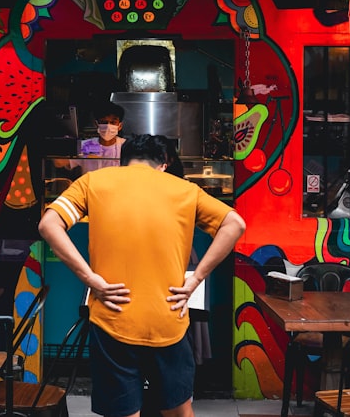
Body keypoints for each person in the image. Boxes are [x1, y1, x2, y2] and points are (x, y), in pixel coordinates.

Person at [39, 134, 246, 417]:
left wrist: (89, 278)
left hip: (113, 315)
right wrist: (196, 278)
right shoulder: (184, 189)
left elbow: (49, 225)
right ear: (162, 164)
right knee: (178, 410)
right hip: (168, 316)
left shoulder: (94, 182)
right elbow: (235, 223)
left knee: (124, 412)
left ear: (122, 162)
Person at [54, 101, 128, 174]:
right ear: (96, 124)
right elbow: (58, 163)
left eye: (113, 122)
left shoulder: (127, 146)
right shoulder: (87, 145)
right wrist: (82, 153)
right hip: (91, 185)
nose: (108, 126)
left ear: (120, 126)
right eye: (103, 122)